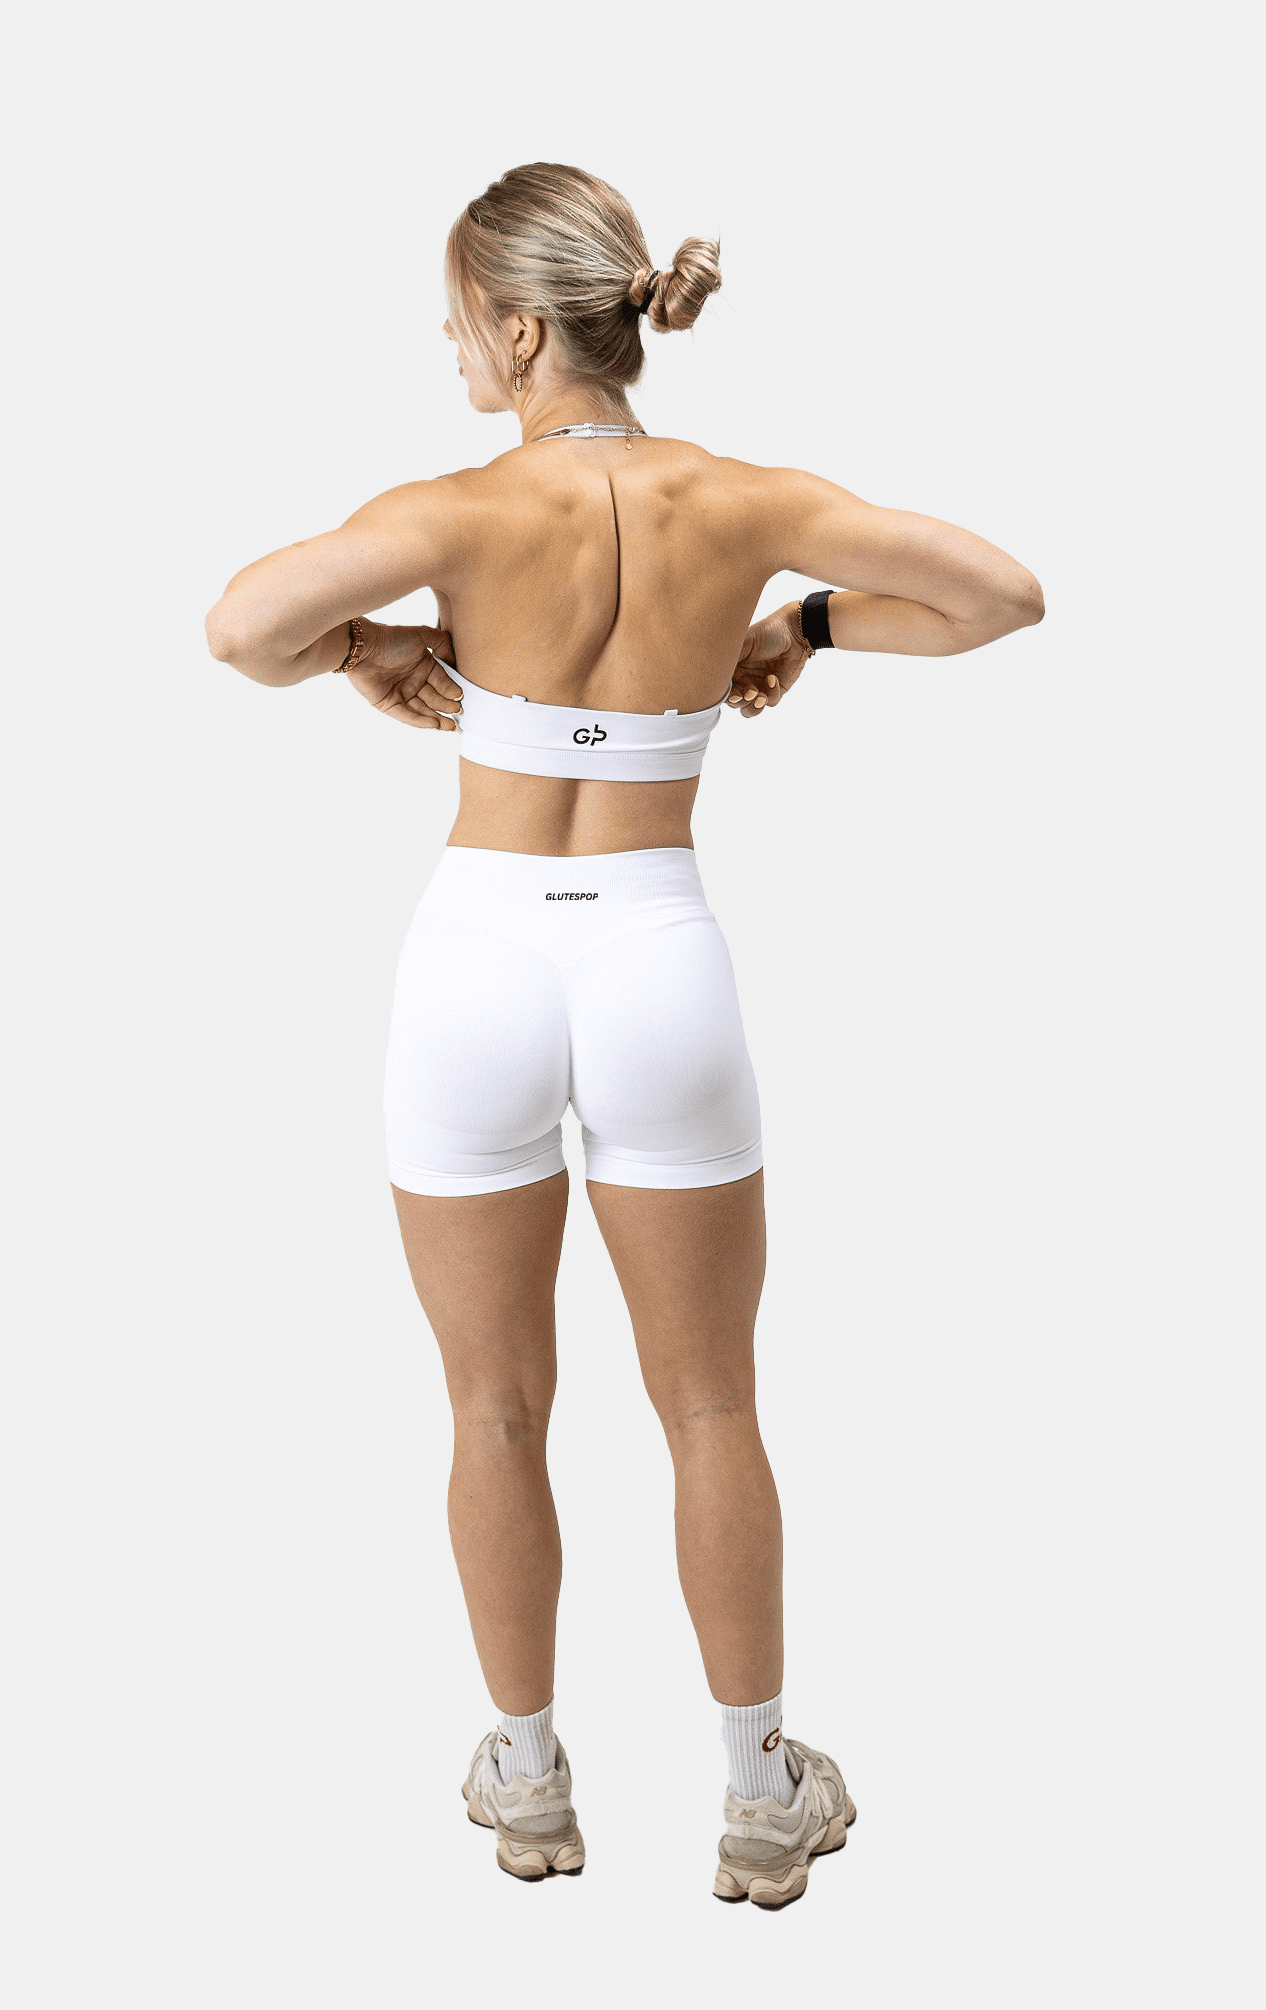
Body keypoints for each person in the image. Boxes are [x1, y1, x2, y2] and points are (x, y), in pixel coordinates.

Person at [205, 161, 1044, 1910]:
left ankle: (526, 1779)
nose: (449, 347)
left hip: (477, 965)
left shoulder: (454, 509)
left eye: (458, 320)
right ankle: (759, 1791)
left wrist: (364, 651)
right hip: (660, 957)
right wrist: (803, 619)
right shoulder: (739, 498)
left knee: (492, 1401)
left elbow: (240, 626)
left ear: (522, 332)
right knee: (711, 1397)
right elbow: (997, 595)